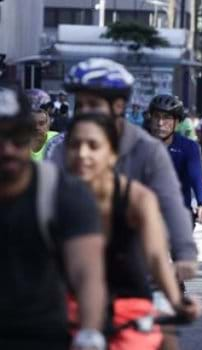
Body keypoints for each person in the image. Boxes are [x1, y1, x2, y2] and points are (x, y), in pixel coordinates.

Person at [50, 57, 198, 281]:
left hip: (133, 261)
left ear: (119, 106)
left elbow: (171, 203)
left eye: (94, 105)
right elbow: (43, 200)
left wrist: (185, 254)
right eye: (80, 105)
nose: (85, 113)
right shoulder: (64, 148)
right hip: (74, 258)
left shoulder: (148, 149)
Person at [65, 113, 202, 349]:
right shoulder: (50, 197)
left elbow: (157, 258)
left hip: (129, 308)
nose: (83, 154)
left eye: (93, 146)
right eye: (75, 146)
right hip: (69, 312)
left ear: (112, 155)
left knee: (168, 341)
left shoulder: (138, 199)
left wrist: (177, 302)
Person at [0, 84, 107, 349]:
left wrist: (90, 331)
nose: (8, 149)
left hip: (46, 333)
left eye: (18, 137)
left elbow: (88, 271)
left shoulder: (64, 194)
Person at [147, 95, 202, 226]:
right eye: (156, 117)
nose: (160, 123)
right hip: (144, 213)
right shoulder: (139, 144)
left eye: (167, 118)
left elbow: (197, 178)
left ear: (177, 121)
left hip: (177, 213)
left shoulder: (188, 147)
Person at [25, 89, 59, 161]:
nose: (37, 128)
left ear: (48, 124)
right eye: (33, 123)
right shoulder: (17, 142)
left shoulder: (56, 140)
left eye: (41, 123)